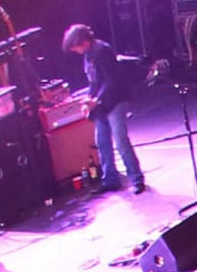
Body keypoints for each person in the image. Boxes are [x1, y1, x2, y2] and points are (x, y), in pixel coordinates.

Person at [63, 19, 149, 192]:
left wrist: (97, 99)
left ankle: (136, 179)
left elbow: (112, 80)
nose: (76, 51)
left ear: (83, 41)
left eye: (75, 47)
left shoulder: (102, 50)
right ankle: (110, 180)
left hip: (116, 100)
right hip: (101, 104)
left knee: (120, 140)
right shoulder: (87, 55)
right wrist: (89, 99)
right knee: (102, 141)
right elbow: (94, 81)